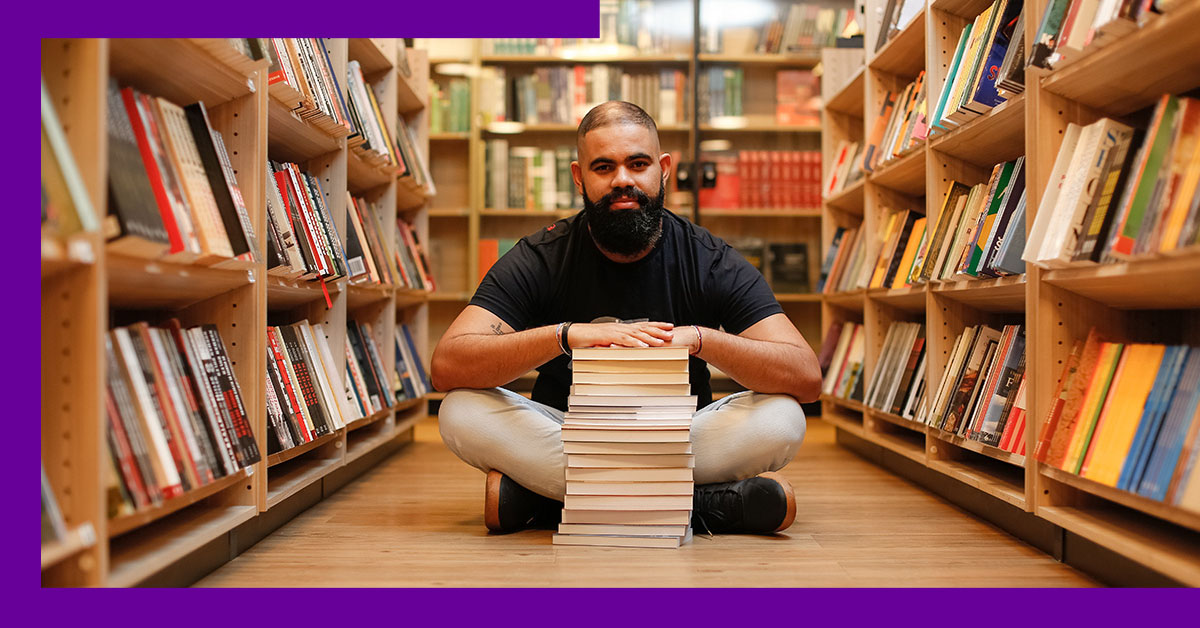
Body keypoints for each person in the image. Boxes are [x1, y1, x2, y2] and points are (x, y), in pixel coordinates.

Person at [431, 101, 822, 536]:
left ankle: (547, 502)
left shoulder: (709, 259)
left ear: (664, 169)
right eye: (604, 167)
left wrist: (699, 339)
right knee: (459, 410)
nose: (623, 181)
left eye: (638, 164)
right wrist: (566, 336)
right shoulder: (541, 256)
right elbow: (449, 364)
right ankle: (705, 505)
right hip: (567, 435)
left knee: (784, 417)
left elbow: (804, 376)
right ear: (580, 177)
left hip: (678, 434)